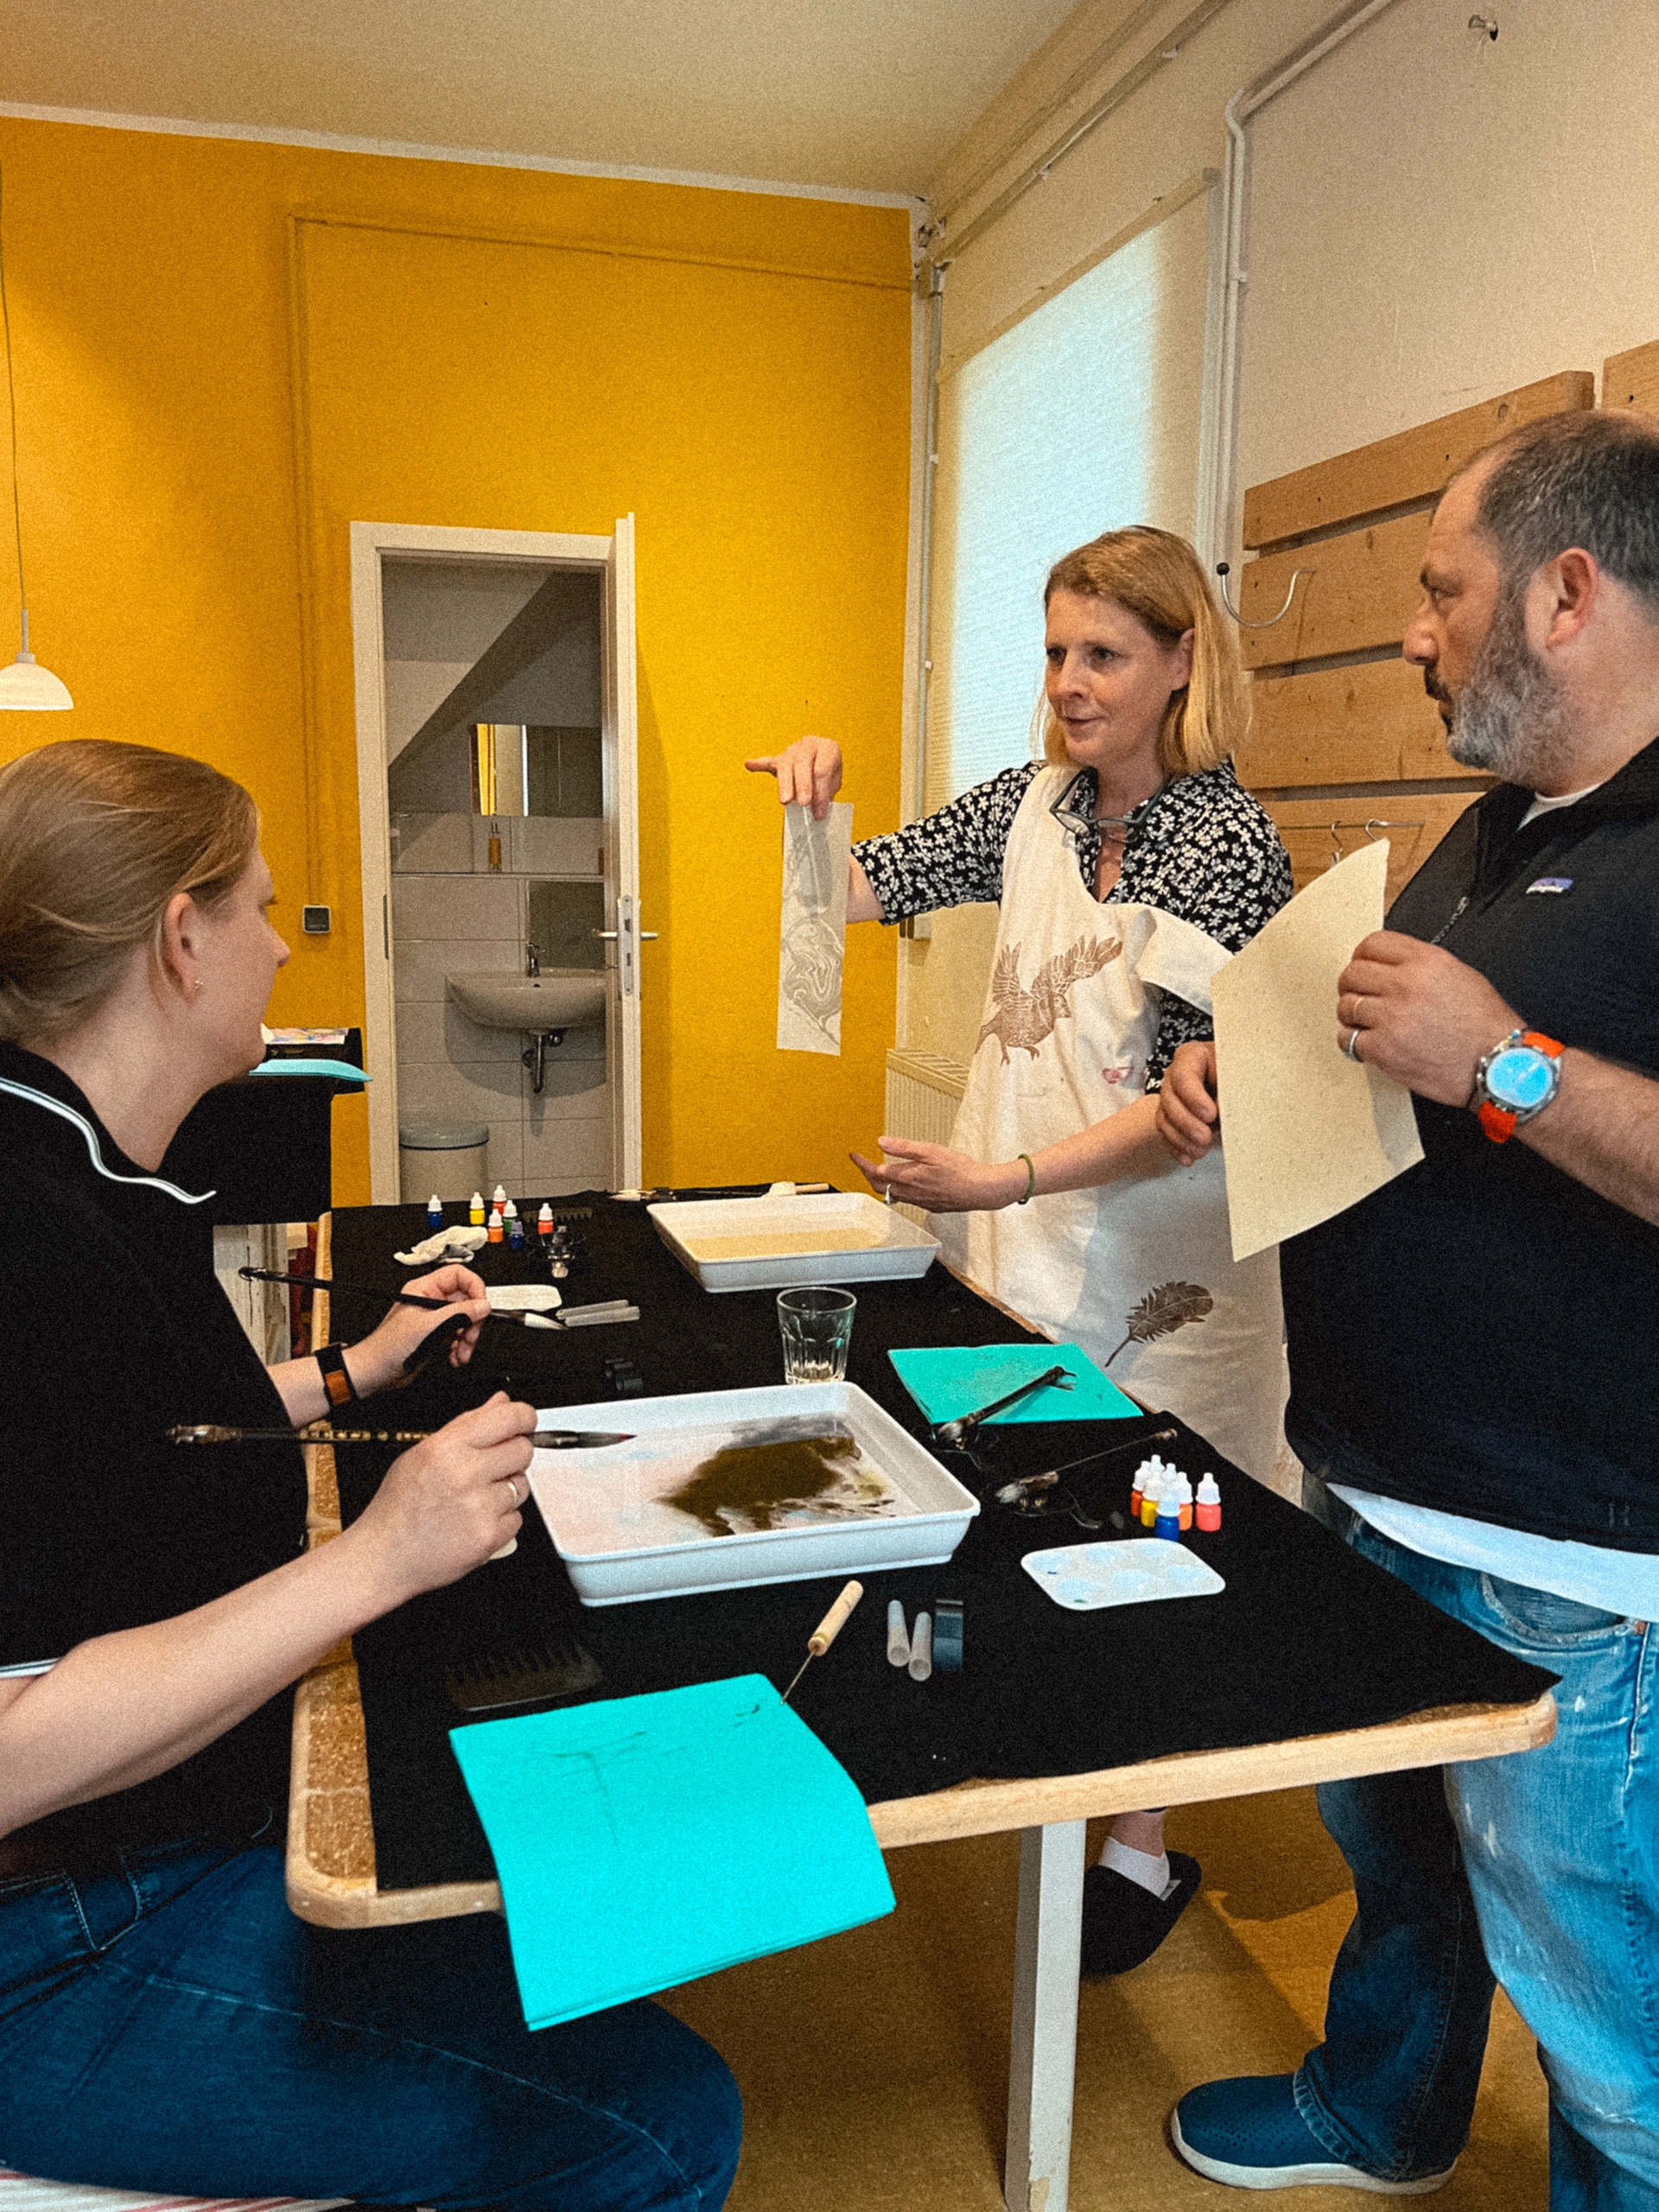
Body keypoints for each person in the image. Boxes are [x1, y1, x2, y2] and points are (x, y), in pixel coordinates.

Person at [0, 740, 741, 2209]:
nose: (285, 947)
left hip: (152, 1839)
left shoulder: (73, 1168)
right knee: (662, 2123)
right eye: (265, 909)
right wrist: (379, 1557)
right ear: (181, 939)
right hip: (59, 1942)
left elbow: (125, 1441)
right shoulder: (27, 1244)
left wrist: (353, 1371)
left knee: (593, 1885)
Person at [1158, 410, 1659, 2207]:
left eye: (1444, 592)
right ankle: (1385, 2108)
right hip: (1379, 1489)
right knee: (1402, 1872)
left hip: (1570, 1562)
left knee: (1599, 2000)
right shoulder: (1497, 825)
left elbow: (1495, 1068)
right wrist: (1260, 1059)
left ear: (1567, 593)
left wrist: (1508, 1062)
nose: (1411, 630)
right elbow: (1405, 1062)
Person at [749, 525, 1294, 1974]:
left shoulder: (1224, 842)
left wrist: (995, 1178)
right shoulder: (1033, 804)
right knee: (1029, 1507)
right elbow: (859, 891)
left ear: (1182, 662)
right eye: (1057, 652)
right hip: (1027, 1234)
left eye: (1103, 654)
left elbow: (1189, 1111)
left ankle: (1142, 1839)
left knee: (1154, 1539)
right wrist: (815, 804)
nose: (1069, 682)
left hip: (1166, 1261)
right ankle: (1056, 1757)